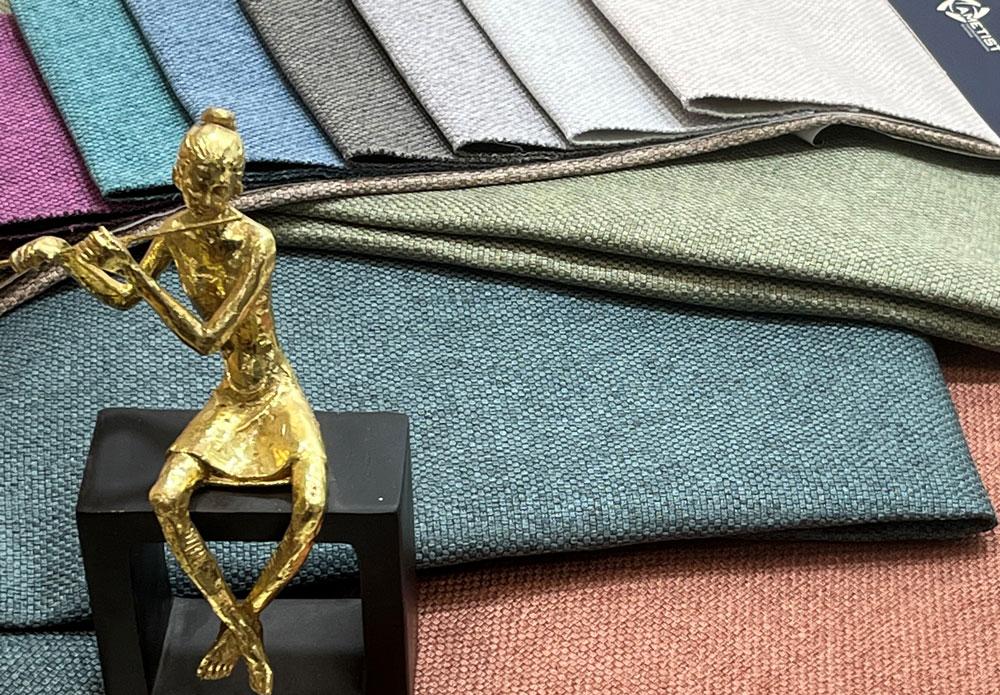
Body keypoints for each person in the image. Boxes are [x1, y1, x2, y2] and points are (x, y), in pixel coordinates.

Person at [11, 107, 327, 695]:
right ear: (180, 178)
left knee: (310, 504)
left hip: (274, 393)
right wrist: (65, 256)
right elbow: (120, 296)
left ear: (236, 186)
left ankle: (240, 625)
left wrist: (141, 276)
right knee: (164, 496)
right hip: (231, 398)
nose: (206, 199)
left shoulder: (257, 241)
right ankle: (243, 631)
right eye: (195, 185)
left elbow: (207, 337)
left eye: (219, 188)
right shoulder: (173, 231)